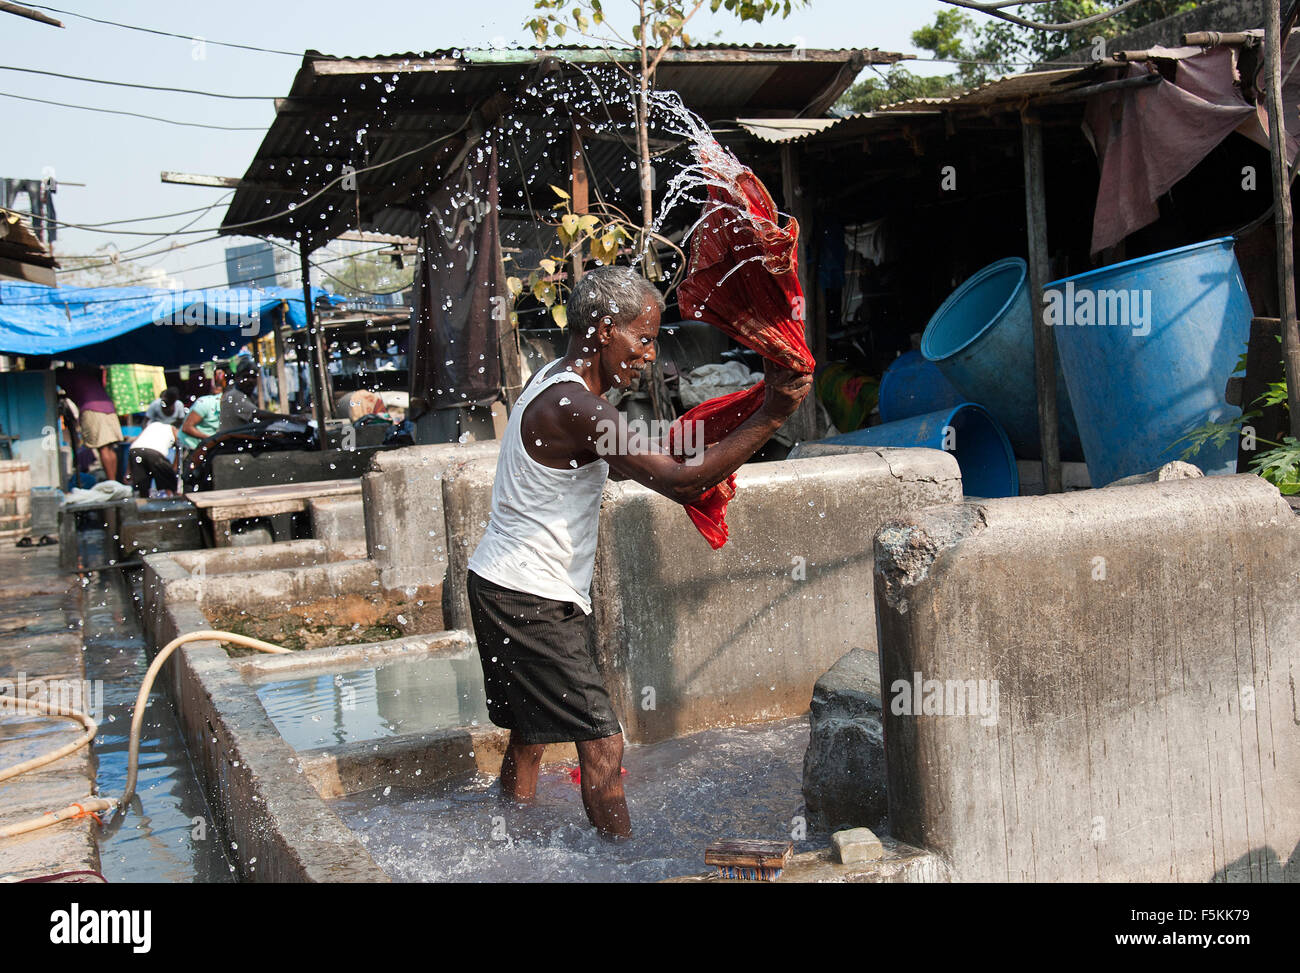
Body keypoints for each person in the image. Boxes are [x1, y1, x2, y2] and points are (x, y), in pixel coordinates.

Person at [465, 266, 812, 838]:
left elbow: (646, 457)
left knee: (532, 728)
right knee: (602, 740)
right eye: (643, 337)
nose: (650, 355)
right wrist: (771, 413)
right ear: (602, 330)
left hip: (505, 584)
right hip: (528, 595)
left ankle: (505, 840)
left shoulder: (557, 378)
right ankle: (624, 864)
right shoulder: (577, 409)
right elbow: (681, 481)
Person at [54, 364, 122, 483]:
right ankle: (114, 481)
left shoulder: (63, 376)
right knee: (109, 447)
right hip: (109, 407)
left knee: (103, 448)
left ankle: (112, 482)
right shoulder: (86, 374)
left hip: (93, 409)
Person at [218, 364, 307, 433]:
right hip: (232, 443)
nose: (250, 380)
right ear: (237, 378)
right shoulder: (235, 395)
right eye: (246, 377)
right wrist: (290, 418)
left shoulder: (247, 395)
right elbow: (257, 414)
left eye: (253, 377)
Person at [125, 419, 179, 497]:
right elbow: (179, 448)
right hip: (154, 453)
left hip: (135, 451)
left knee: (142, 487)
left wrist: (128, 471)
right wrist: (173, 470)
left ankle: (143, 506)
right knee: (169, 484)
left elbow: (136, 442)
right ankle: (171, 503)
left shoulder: (152, 425)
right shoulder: (174, 430)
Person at [179, 377, 225, 452]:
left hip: (208, 447)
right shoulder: (206, 403)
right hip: (188, 446)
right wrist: (211, 438)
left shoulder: (231, 407)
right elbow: (186, 428)